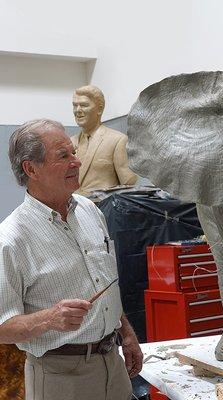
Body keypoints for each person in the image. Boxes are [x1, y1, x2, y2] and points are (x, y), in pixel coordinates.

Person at [0, 119, 143, 400]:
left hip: (113, 365)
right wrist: (48, 319)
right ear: (31, 168)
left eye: (73, 153)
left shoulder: (90, 211)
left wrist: (126, 333)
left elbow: (106, 284)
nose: (76, 162)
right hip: (59, 377)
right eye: (63, 156)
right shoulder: (10, 239)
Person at [71, 85, 138, 197]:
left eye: (84, 105)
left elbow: (128, 184)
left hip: (104, 209)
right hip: (74, 209)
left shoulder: (117, 140)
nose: (78, 110)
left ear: (100, 109)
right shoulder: (70, 143)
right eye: (75, 105)